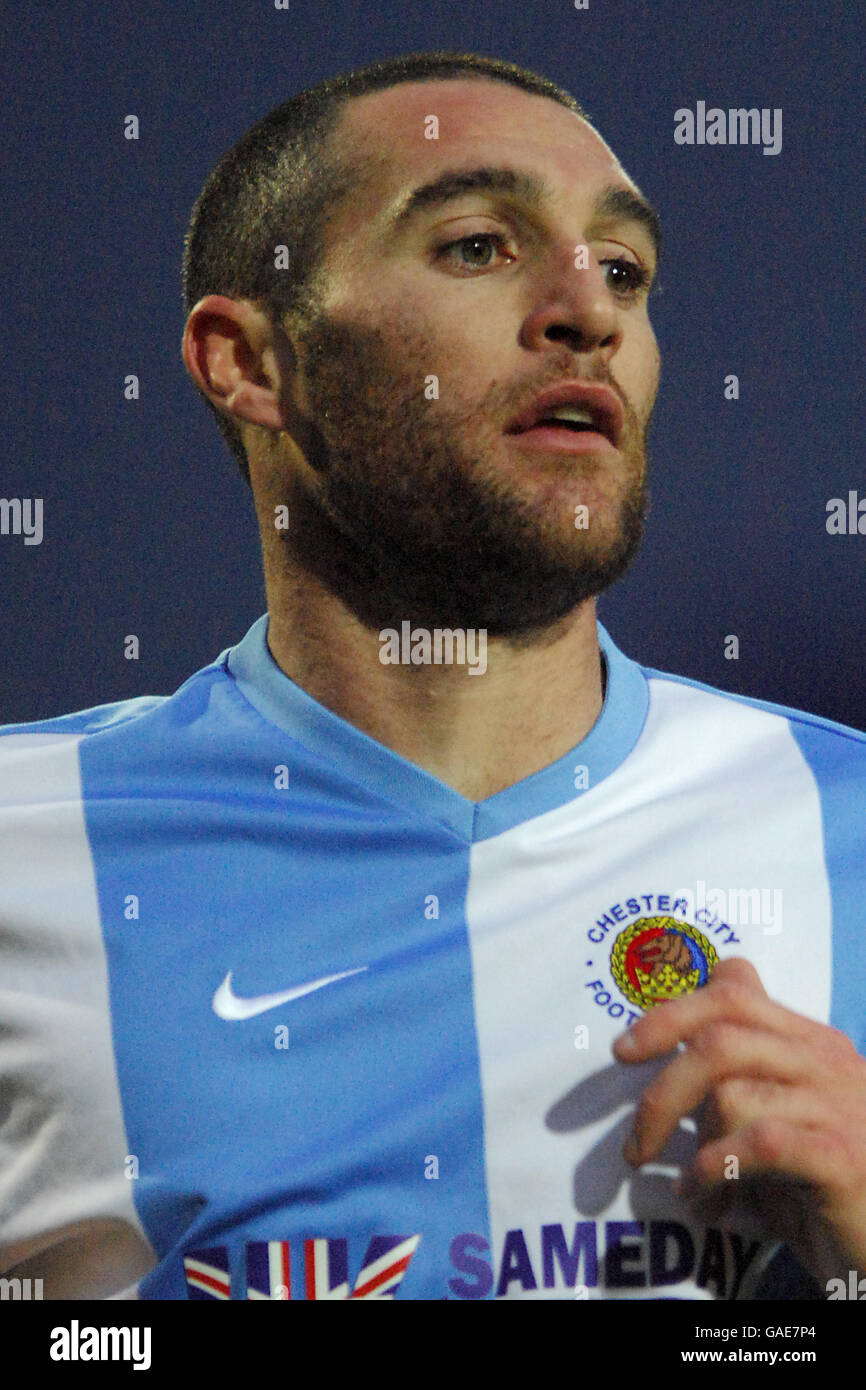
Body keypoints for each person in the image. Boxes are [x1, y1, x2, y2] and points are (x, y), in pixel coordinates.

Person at [1, 50, 864, 1303]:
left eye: (623, 268)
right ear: (249, 360)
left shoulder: (847, 827)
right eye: (477, 245)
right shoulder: (25, 850)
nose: (589, 309)